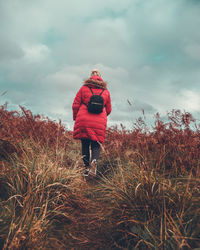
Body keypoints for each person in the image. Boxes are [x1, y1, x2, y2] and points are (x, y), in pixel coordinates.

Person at [72, 69, 112, 176]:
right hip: (99, 120)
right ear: (100, 77)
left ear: (91, 76)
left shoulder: (84, 88)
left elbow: (75, 105)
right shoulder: (106, 91)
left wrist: (76, 118)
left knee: (85, 144)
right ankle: (94, 161)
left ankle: (86, 169)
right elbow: (109, 109)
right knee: (96, 143)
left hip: (83, 120)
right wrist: (102, 116)